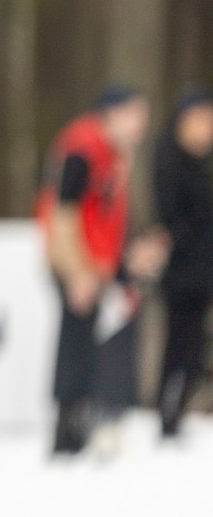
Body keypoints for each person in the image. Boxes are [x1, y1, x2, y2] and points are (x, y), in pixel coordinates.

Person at [39, 86, 167, 457]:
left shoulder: (112, 153)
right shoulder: (82, 148)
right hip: (74, 263)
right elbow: (61, 213)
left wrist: (131, 250)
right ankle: (67, 430)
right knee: (75, 343)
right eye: (135, 115)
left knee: (93, 341)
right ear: (112, 113)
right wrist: (76, 271)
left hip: (96, 265)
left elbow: (109, 215)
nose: (141, 125)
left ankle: (84, 423)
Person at [150, 90, 212, 440]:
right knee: (179, 345)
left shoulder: (198, 164)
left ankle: (176, 411)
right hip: (182, 273)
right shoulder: (169, 161)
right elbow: (174, 221)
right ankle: (167, 413)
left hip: (201, 271)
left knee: (195, 349)